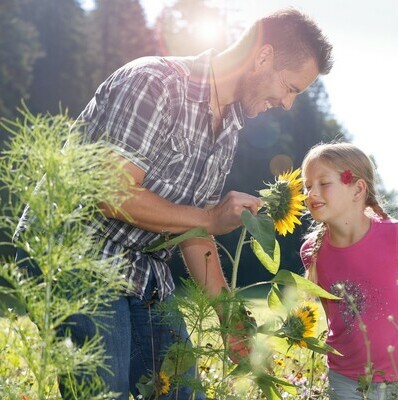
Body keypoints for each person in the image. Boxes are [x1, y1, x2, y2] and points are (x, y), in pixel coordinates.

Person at [15, 7, 333, 400]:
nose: (287, 104)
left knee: (183, 392)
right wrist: (210, 217)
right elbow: (110, 192)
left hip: (143, 270)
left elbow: (193, 229)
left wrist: (230, 320)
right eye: (291, 88)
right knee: (103, 391)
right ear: (263, 56)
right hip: (78, 255)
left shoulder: (229, 126)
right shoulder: (154, 83)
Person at [300, 142, 398, 399]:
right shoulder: (312, 251)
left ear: (357, 189)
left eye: (323, 183)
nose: (311, 193)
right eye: (308, 186)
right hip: (346, 381)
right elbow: (333, 314)